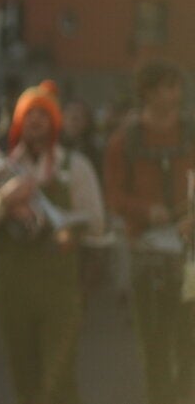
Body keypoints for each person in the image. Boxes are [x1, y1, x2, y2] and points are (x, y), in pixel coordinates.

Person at [0, 80, 105, 404]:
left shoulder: (76, 166)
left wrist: (72, 231)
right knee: (24, 383)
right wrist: (4, 200)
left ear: (55, 121)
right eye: (29, 114)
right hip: (12, 289)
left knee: (59, 382)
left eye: (44, 113)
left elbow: (97, 223)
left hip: (61, 287)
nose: (36, 120)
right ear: (18, 122)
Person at [103, 60, 195, 404]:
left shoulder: (191, 132)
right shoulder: (124, 141)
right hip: (146, 252)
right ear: (148, 92)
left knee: (189, 342)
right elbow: (113, 196)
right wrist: (145, 211)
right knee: (154, 344)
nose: (176, 93)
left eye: (178, 85)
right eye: (168, 86)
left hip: (189, 254)